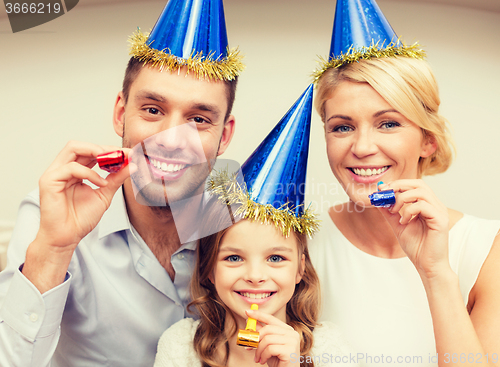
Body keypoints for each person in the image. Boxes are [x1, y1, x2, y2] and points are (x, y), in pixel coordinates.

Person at [0, 0, 244, 366]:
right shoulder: (53, 214)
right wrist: (53, 250)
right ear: (120, 114)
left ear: (223, 136)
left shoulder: (244, 224)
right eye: (152, 110)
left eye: (197, 119)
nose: (172, 138)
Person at [310, 0, 500, 366]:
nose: (362, 148)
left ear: (428, 140)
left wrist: (436, 272)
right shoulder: (298, 245)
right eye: (342, 127)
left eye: (389, 123)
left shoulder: (487, 251)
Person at [154, 85, 357, 367]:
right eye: (234, 257)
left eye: (275, 258)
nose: (255, 275)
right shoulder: (181, 347)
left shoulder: (327, 350)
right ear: (209, 269)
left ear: (300, 268)